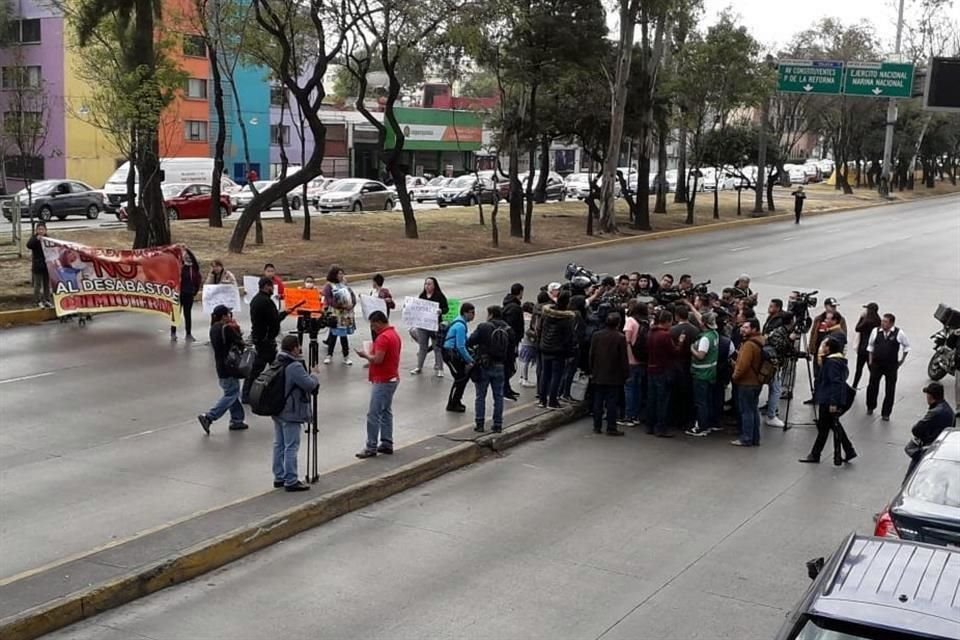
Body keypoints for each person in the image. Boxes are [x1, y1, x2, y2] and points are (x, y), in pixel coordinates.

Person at [799, 337, 856, 466]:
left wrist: (833, 402)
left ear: (828, 348)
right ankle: (848, 449)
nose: (821, 348)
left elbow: (835, 383)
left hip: (828, 399)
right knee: (832, 425)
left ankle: (816, 454)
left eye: (824, 345)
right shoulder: (837, 361)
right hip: (829, 398)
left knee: (824, 427)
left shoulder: (832, 363)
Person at [271, 335, 318, 492]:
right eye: (298, 346)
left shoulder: (278, 360)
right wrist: (314, 374)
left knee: (279, 444)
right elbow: (310, 385)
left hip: (277, 408)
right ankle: (291, 480)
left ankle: (279, 476)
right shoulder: (294, 366)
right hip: (291, 411)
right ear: (294, 348)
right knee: (291, 445)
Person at [354, 310, 402, 458]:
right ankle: (387, 442)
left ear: (380, 322)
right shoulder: (394, 335)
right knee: (386, 411)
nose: (373, 329)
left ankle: (371, 446)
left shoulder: (383, 338)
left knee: (373, 414)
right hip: (392, 377)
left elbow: (378, 360)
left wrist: (365, 355)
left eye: (374, 326)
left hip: (383, 380)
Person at [198, 305, 247, 434]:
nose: (230, 316)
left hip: (220, 366)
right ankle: (209, 417)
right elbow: (240, 343)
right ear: (224, 316)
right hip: (230, 367)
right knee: (231, 394)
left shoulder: (214, 329)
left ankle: (237, 420)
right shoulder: (227, 329)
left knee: (232, 393)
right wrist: (237, 330)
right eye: (228, 314)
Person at [242, 277, 291, 403]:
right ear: (265, 286)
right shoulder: (265, 302)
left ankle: (250, 393)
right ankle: (250, 394)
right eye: (270, 287)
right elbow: (273, 320)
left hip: (261, 339)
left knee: (271, 367)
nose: (272, 290)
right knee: (267, 369)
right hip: (265, 341)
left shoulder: (256, 300)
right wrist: (284, 314)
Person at [468, 305, 513, 433]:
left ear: (491, 315)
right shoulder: (508, 329)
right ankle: (497, 424)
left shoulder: (483, 327)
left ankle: (480, 423)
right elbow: (512, 349)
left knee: (480, 396)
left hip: (484, 364)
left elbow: (470, 341)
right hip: (500, 365)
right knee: (498, 396)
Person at [588, 312, 629, 436]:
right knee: (611, 402)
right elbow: (623, 358)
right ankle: (611, 427)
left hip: (598, 373)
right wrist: (626, 374)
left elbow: (591, 355)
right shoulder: (620, 337)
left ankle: (597, 426)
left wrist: (592, 370)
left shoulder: (596, 335)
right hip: (614, 375)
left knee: (598, 401)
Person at [904, 382, 955, 478]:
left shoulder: (934, 412)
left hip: (928, 449)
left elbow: (916, 429)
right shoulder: (950, 411)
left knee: (911, 477)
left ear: (931, 396)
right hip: (941, 450)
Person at [866, 313, 910, 421]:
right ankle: (870, 406)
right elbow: (870, 345)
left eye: (885, 322)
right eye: (882, 321)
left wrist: (901, 360)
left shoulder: (899, 333)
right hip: (877, 364)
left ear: (891, 323)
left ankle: (886, 413)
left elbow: (907, 346)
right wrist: (871, 361)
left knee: (890, 389)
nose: (883, 323)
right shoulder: (876, 331)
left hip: (891, 365)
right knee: (872, 386)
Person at [646, 309, 684, 437]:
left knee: (652, 398)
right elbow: (674, 352)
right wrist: (680, 342)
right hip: (663, 369)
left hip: (651, 368)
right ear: (668, 321)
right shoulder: (665, 335)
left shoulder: (650, 333)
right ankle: (660, 427)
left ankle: (650, 425)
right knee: (662, 400)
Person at [538, 291, 576, 409]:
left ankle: (542, 400)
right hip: (558, 350)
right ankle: (552, 401)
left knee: (545, 374)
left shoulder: (546, 314)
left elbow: (540, 328)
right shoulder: (567, 319)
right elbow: (568, 337)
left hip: (545, 347)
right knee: (556, 375)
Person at [731, 318, 765, 447]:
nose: (742, 329)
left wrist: (735, 376)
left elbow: (743, 365)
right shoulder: (761, 340)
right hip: (757, 381)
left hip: (747, 383)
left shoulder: (749, 345)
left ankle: (746, 438)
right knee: (753, 409)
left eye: (746, 327)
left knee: (746, 411)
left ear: (754, 329)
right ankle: (755, 437)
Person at [686, 312, 719, 437]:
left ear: (703, 324)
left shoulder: (705, 338)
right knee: (708, 400)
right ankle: (708, 423)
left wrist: (692, 349)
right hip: (710, 373)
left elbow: (700, 355)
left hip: (701, 374)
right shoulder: (714, 334)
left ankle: (701, 426)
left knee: (701, 402)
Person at [764, 311, 797, 428]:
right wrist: (790, 339)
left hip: (776, 364)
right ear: (791, 321)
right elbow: (781, 347)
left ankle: (771, 412)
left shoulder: (784, 331)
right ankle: (771, 415)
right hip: (772, 365)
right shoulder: (779, 333)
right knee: (776, 390)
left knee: (775, 389)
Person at [411, 277, 449, 377]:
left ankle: (440, 369)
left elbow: (446, 308)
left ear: (434, 285)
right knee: (422, 347)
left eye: (429, 284)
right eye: (426, 284)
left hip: (435, 326)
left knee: (437, 348)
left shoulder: (439, 296)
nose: (427, 286)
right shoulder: (422, 295)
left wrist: (441, 310)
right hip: (423, 326)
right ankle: (419, 367)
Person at [442, 302, 476, 412]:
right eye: (471, 312)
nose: (473, 315)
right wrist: (470, 360)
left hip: (452, 353)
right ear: (465, 313)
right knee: (460, 378)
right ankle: (452, 404)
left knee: (462, 377)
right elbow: (460, 346)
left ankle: (456, 401)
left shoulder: (459, 321)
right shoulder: (460, 326)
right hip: (450, 354)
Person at [321, 265, 356, 365]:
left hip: (346, 315)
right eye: (339, 273)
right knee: (333, 335)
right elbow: (328, 299)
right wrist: (340, 305)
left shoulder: (345, 285)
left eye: (342, 273)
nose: (341, 276)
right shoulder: (329, 286)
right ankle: (329, 355)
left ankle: (346, 356)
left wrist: (351, 304)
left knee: (343, 336)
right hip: (335, 315)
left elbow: (352, 296)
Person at [623, 300, 649, 426]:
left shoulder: (630, 321)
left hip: (632, 359)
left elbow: (627, 341)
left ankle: (629, 415)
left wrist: (628, 358)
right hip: (643, 359)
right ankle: (637, 415)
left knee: (629, 388)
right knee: (638, 388)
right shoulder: (646, 322)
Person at [501, 283, 525, 400]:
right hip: (511, 343)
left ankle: (507, 388)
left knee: (509, 365)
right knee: (509, 366)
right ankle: (505, 389)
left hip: (510, 341)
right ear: (520, 292)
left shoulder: (508, 304)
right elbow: (513, 327)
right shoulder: (514, 308)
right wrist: (514, 342)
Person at [172, 248, 202, 342]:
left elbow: (197, 281)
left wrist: (188, 249)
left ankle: (188, 334)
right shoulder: (179, 266)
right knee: (176, 314)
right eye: (186, 256)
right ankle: (173, 333)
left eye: (189, 257)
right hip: (178, 293)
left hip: (189, 294)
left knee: (187, 314)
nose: (188, 258)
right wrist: (181, 250)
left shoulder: (194, 267)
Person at [852, 302, 881, 388]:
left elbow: (857, 328)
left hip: (863, 349)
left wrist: (861, 318)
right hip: (872, 350)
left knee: (859, 369)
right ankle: (873, 384)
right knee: (871, 369)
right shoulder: (878, 320)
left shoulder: (867, 321)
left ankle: (854, 385)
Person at [26, 222, 52, 308]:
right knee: (37, 284)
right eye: (39, 229)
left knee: (46, 284)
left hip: (47, 266)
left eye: (42, 229)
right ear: (36, 230)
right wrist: (36, 239)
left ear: (45, 230)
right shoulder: (34, 239)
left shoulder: (48, 239)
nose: (41, 231)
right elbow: (29, 245)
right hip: (37, 266)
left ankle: (47, 300)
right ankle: (37, 301)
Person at [517, 301, 538, 388]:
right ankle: (525, 378)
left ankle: (522, 378)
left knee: (523, 361)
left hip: (523, 343)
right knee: (526, 362)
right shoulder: (530, 319)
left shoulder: (521, 318)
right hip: (529, 343)